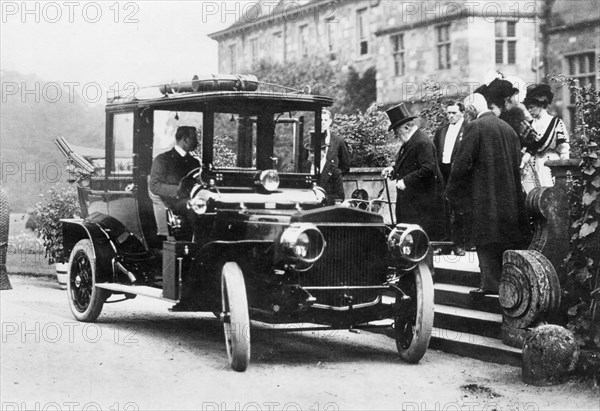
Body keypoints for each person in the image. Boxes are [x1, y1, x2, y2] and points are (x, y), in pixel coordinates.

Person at [445, 94, 529, 295]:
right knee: (503, 237)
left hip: (483, 195)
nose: (466, 115)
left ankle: (489, 283)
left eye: (466, 111)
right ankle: (507, 283)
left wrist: (452, 190)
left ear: (472, 110)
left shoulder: (475, 127)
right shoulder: (508, 129)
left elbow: (462, 163)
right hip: (508, 196)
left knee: (484, 236)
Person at [381, 103, 445, 242]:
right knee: (409, 238)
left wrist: (405, 180)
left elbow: (428, 168)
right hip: (412, 201)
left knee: (417, 239)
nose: (396, 135)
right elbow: (408, 163)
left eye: (396, 131)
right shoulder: (410, 141)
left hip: (421, 202)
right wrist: (393, 169)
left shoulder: (422, 142)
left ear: (406, 127)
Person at [521, 84, 570, 192]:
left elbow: (564, 148)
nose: (529, 110)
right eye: (528, 107)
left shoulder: (556, 122)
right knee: (532, 197)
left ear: (541, 105)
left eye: (532, 107)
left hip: (549, 164)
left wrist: (564, 171)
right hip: (531, 164)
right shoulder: (529, 124)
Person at [433, 101, 468, 256]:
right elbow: (435, 152)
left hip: (459, 174)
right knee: (443, 208)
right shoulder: (441, 131)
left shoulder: (468, 129)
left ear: (462, 112)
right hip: (443, 172)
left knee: (459, 209)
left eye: (454, 113)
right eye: (448, 113)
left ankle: (459, 244)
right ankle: (444, 244)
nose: (450, 116)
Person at [149, 126, 201, 215]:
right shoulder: (162, 159)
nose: (197, 142)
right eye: (194, 138)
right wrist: (179, 190)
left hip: (195, 202)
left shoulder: (194, 161)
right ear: (185, 140)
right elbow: (155, 185)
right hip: (172, 205)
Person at [312, 109, 350, 204]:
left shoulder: (338, 141)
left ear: (330, 121)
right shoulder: (308, 141)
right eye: (320, 120)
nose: (323, 123)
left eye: (325, 120)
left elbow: (345, 166)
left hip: (329, 189)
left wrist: (332, 175)